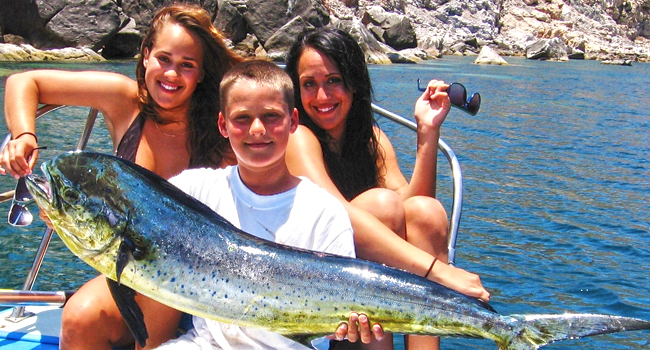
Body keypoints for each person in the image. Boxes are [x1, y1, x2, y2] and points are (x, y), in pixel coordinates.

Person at [0, 4, 242, 349]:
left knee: (165, 256)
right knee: (79, 317)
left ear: (202, 74)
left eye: (187, 65)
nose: (172, 74)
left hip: (210, 278)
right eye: (164, 59)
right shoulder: (124, 100)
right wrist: (24, 135)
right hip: (134, 274)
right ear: (145, 56)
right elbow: (25, 81)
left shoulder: (223, 125)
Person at [284, 27, 491, 350]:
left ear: (354, 83)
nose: (322, 96)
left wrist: (427, 131)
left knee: (427, 212)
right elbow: (336, 213)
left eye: (333, 81)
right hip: (314, 291)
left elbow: (413, 208)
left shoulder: (371, 139)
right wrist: (439, 273)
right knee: (382, 205)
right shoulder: (297, 138)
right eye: (309, 84)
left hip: (357, 289)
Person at [155, 59, 376, 350]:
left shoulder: (324, 212)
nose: (257, 129)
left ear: (293, 121)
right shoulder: (193, 190)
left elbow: (335, 322)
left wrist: (349, 327)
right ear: (223, 124)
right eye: (242, 118)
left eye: (271, 116)